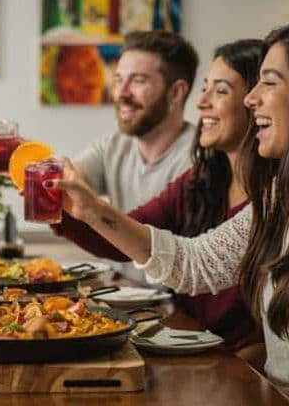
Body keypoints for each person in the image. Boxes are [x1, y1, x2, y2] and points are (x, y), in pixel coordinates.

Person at [51, 15, 289, 405]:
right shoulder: (284, 194)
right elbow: (193, 263)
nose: (251, 98)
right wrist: (89, 210)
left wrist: (272, 398)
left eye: (269, 82)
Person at [54, 39, 265, 357]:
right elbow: (130, 235)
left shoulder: (277, 197)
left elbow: (189, 264)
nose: (201, 102)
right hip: (188, 343)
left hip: (234, 358)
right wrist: (66, 206)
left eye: (220, 91)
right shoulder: (202, 179)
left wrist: (90, 209)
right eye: (205, 88)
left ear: (256, 101)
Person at [73, 30, 198, 284]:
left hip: (171, 306)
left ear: (176, 93)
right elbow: (71, 178)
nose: (121, 92)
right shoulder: (113, 145)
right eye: (119, 79)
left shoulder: (198, 158)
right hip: (118, 293)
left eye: (138, 80)